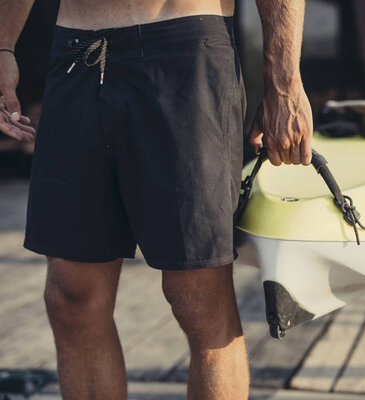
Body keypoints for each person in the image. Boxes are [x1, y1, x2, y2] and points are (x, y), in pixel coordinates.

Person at [0, 0, 313, 398]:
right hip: (76, 53)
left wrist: (283, 83)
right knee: (71, 297)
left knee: (197, 296)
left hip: (184, 45)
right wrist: (3, 44)